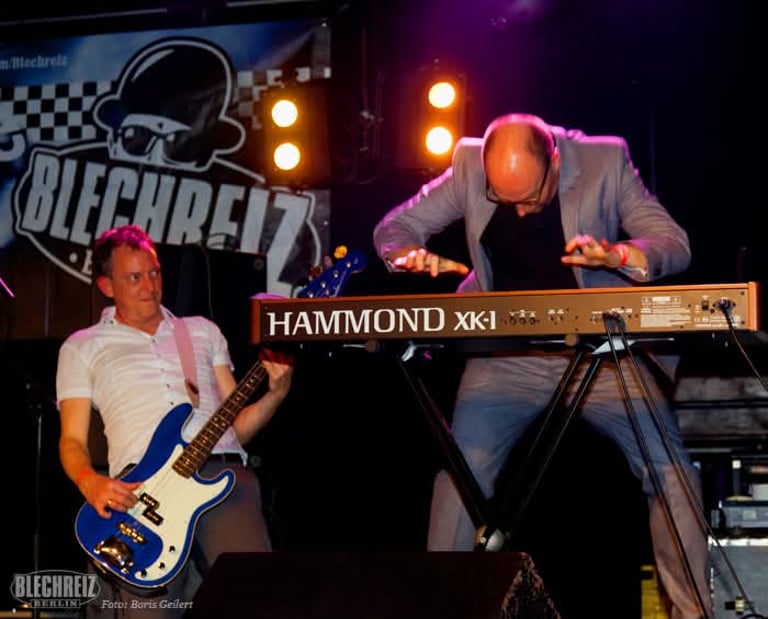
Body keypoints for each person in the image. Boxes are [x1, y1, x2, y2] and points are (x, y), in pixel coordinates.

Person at [373, 113, 711, 619]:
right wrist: (405, 255)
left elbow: (672, 244)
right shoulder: (469, 164)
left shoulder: (604, 160)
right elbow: (394, 228)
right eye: (504, 199)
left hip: (600, 348)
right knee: (461, 476)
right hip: (508, 357)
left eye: (531, 197)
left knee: (670, 472)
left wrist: (618, 255)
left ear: (554, 160)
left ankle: (692, 614)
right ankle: (441, 609)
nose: (521, 211)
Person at [56, 224, 293, 618]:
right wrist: (90, 482)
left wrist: (276, 394)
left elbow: (236, 429)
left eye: (155, 273)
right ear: (107, 285)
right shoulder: (82, 346)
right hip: (141, 492)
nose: (150, 286)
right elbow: (72, 441)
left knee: (255, 600)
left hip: (223, 476)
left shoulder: (202, 331)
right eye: (134, 277)